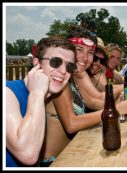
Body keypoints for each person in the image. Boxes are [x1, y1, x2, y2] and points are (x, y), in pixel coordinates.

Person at [42, 26, 127, 164]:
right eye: (79, 49)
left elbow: (94, 100)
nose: (85, 57)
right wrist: (116, 110)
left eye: (90, 52)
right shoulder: (59, 78)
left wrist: (118, 104)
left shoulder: (76, 74)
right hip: (54, 162)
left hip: (74, 151)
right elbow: (71, 123)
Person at [6, 36, 77, 167]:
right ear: (36, 63)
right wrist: (37, 92)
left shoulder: (44, 100)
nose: (63, 71)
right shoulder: (7, 93)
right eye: (55, 62)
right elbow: (27, 154)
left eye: (70, 66)